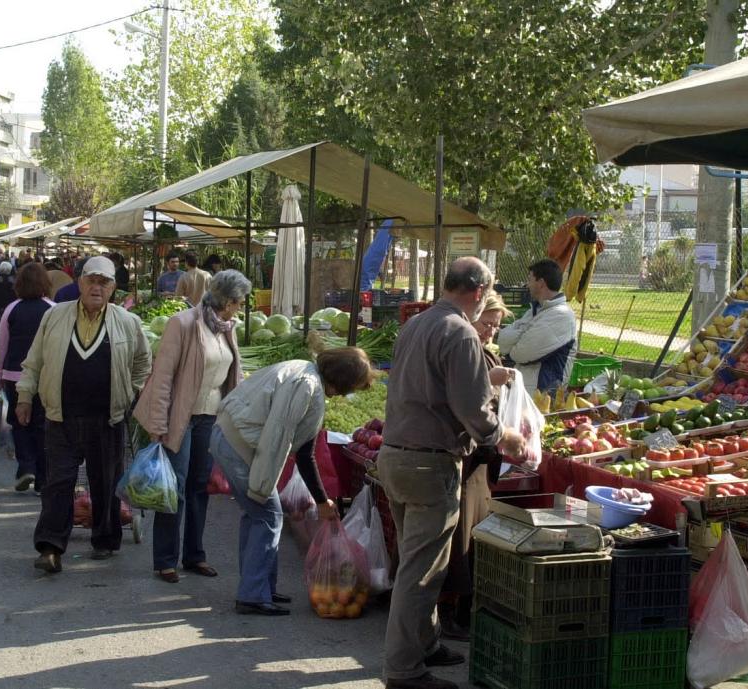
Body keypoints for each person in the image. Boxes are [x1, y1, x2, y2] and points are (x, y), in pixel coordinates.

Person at [379, 257, 525, 689]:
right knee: (421, 571)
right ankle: (404, 670)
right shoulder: (459, 332)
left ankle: (426, 643)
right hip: (429, 462)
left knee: (423, 561)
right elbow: (472, 410)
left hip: (396, 455)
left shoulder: (417, 323)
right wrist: (505, 436)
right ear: (479, 292)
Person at [208, 348, 374, 616]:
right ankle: (253, 595)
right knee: (268, 516)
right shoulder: (306, 387)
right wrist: (317, 499)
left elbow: (303, 449)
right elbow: (280, 438)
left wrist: (320, 499)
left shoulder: (303, 370)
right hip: (238, 446)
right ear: (341, 382)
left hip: (228, 436)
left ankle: (261, 587)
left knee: (257, 514)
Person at [16, 256, 151, 573]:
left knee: (105, 482)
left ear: (113, 288)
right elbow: (34, 361)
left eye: (104, 282)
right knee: (57, 483)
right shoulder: (55, 316)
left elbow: (143, 363)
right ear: (80, 283)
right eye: (91, 280)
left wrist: (129, 391)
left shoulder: (127, 322)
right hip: (60, 416)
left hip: (106, 418)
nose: (96, 287)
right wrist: (24, 396)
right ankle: (50, 547)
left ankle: (105, 539)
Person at [135, 270, 251, 583]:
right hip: (180, 417)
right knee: (174, 488)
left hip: (209, 418)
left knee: (199, 486)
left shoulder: (227, 328)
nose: (241, 307)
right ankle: (165, 560)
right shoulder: (183, 324)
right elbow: (163, 377)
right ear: (227, 300)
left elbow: (234, 373)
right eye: (239, 302)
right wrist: (158, 422)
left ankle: (194, 555)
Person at [437, 290, 514, 642]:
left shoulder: (485, 351)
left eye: (496, 326)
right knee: (457, 535)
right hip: (465, 457)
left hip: (480, 460)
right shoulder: (464, 347)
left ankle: (459, 607)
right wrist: (491, 382)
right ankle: (446, 609)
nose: (490, 331)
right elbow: (465, 400)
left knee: (470, 531)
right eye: (487, 323)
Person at [0, 262, 56, 494]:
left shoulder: (12, 309)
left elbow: (2, 345)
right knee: (42, 425)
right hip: (45, 376)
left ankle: (26, 466)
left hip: (14, 374)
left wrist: (0, 373)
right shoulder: (53, 309)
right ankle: (42, 478)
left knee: (19, 422)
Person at [497, 258, 577, 394]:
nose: (527, 285)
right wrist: (525, 332)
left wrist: (520, 335)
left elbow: (520, 354)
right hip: (526, 389)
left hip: (543, 395)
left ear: (541, 283)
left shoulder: (561, 315)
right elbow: (502, 340)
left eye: (530, 280)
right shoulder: (534, 310)